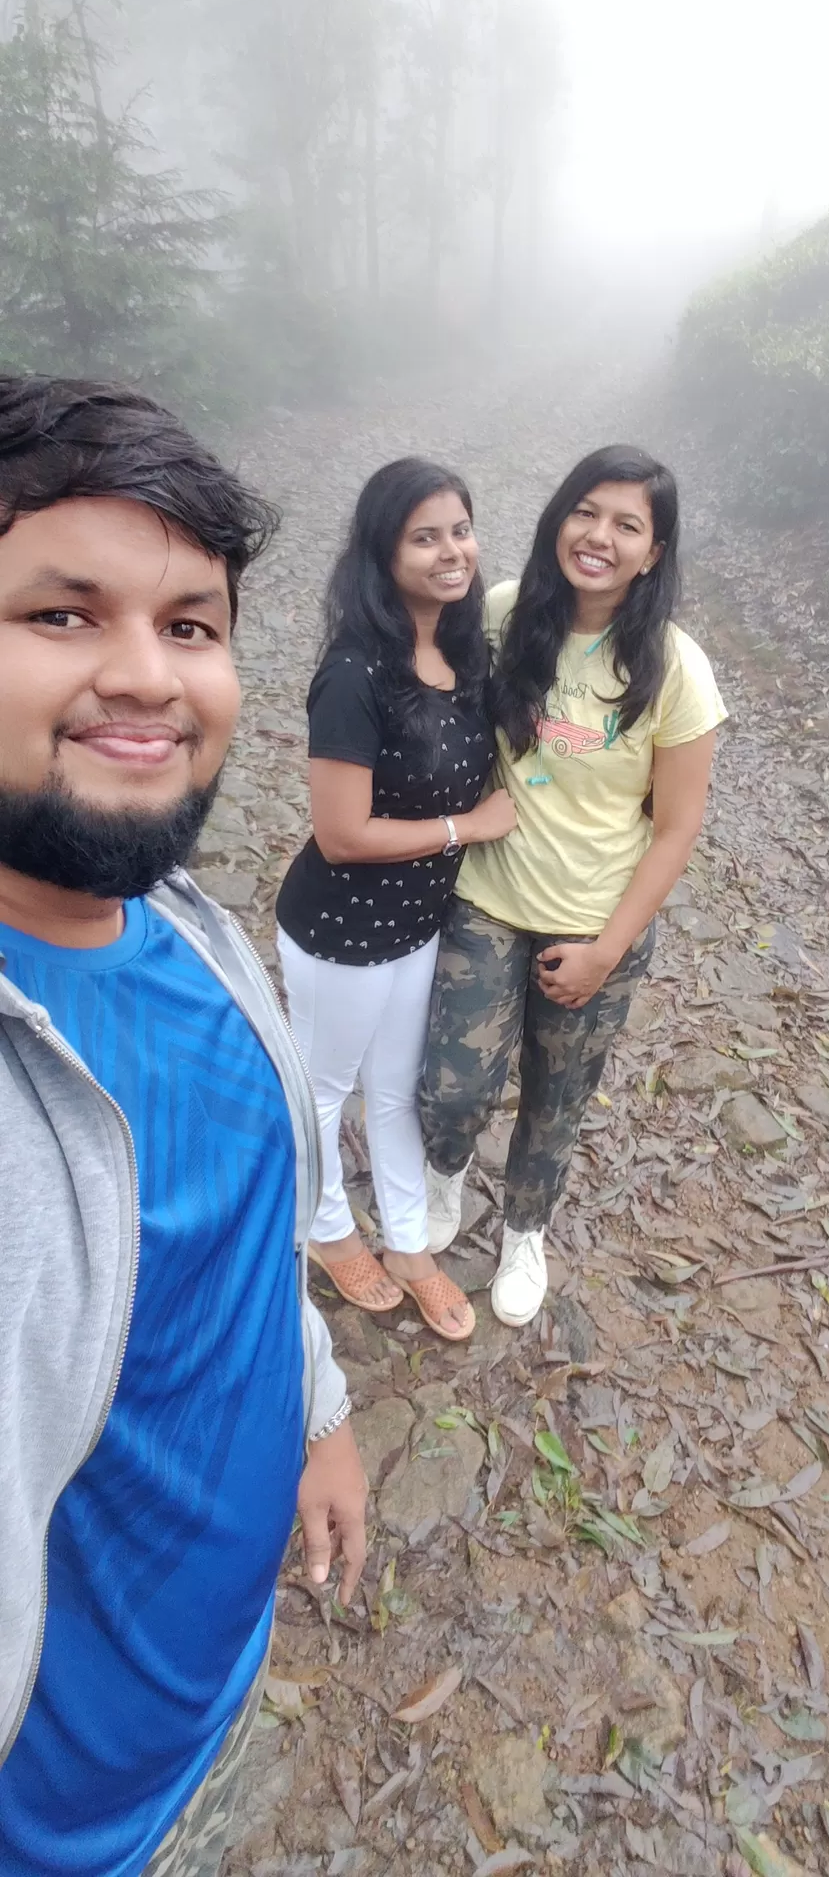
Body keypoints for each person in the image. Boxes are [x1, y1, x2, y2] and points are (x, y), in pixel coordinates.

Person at [0, 378, 367, 1877]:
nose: (147, 676)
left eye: (191, 624)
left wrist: (320, 1415)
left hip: (207, 1692)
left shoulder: (187, 927)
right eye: (62, 615)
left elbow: (250, 1244)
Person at [420, 445, 728, 1328]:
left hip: (595, 922)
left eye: (628, 525)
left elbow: (676, 828)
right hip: (487, 898)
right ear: (560, 516)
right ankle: (442, 1184)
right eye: (585, 512)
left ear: (655, 551)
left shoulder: (674, 669)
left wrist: (606, 950)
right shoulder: (508, 616)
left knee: (556, 1101)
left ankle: (525, 1230)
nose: (599, 536)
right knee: (454, 1086)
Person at [276, 458, 514, 1343]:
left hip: (416, 925)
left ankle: (411, 1247)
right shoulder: (354, 673)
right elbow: (341, 833)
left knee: (397, 1093)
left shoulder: (461, 650)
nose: (451, 552)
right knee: (325, 1088)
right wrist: (469, 826)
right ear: (383, 552)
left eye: (460, 529)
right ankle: (327, 1225)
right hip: (339, 929)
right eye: (425, 537)